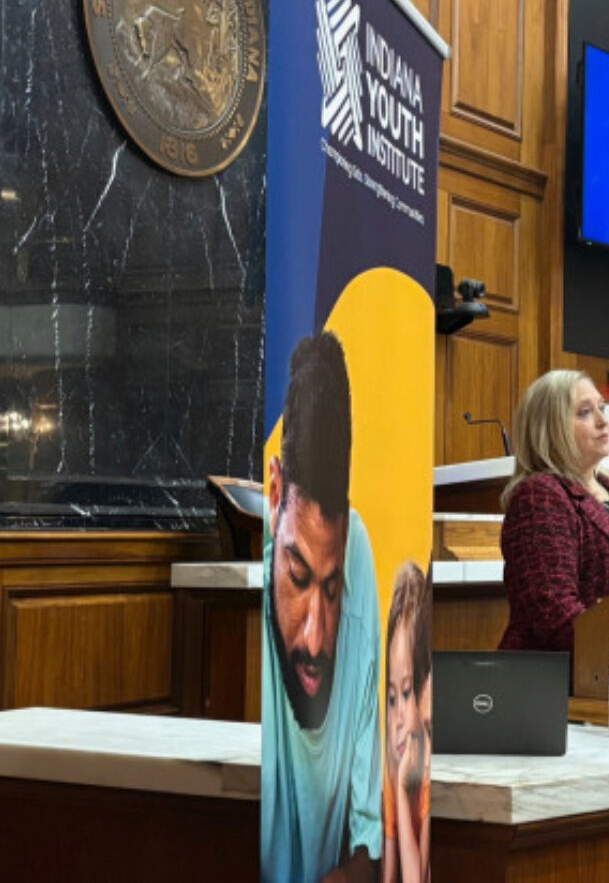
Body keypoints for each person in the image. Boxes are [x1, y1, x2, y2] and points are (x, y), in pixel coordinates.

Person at [262, 332, 381, 883]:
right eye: (299, 577)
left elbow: (368, 734)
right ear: (273, 491)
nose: (315, 639)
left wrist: (364, 857)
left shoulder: (357, 548)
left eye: (330, 590)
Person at [497, 370, 609, 654]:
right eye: (585, 412)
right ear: (550, 427)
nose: (603, 422)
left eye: (601, 408)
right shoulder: (540, 495)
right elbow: (553, 612)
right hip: (561, 681)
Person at [382, 561, 431, 883]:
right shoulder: (388, 768)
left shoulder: (425, 772)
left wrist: (402, 793)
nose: (399, 718)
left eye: (408, 691)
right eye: (391, 699)